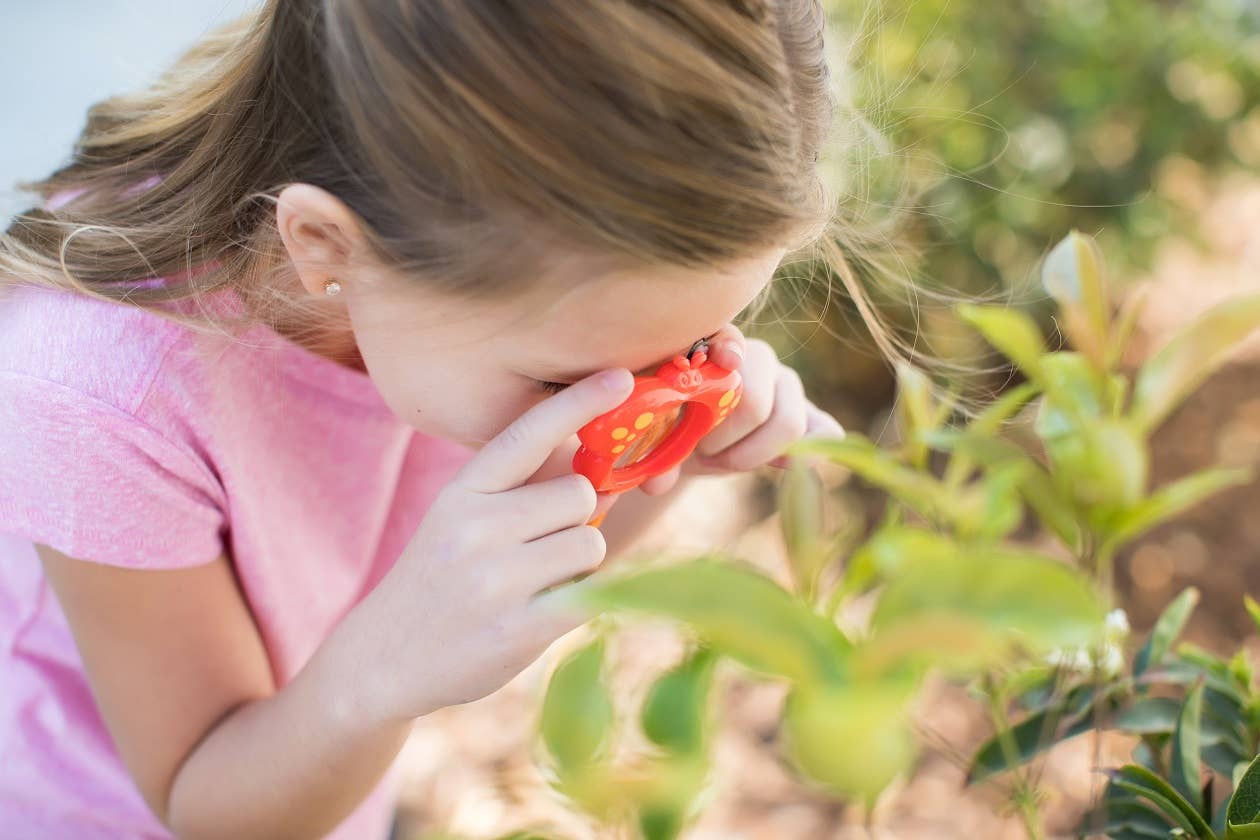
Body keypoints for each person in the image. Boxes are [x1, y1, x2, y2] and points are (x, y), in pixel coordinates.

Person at [0, 1, 898, 837]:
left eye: (696, 341)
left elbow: (511, 575)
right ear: (325, 249)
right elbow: (204, 797)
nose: (639, 394)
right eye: (568, 386)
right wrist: (384, 674)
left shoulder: (485, 302)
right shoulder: (100, 393)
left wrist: (675, 455)